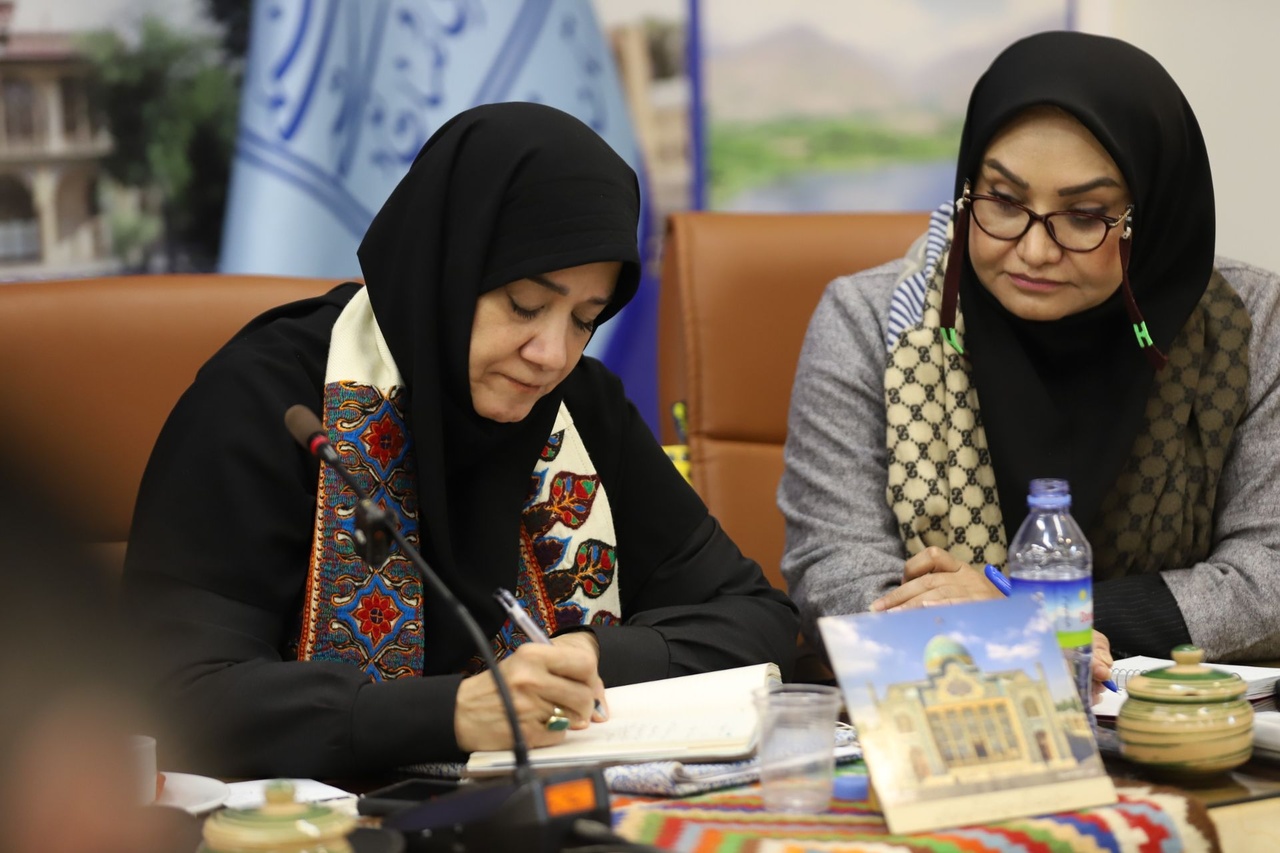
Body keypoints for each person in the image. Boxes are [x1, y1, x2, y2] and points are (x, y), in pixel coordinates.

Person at [122, 102, 798, 778]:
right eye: (525, 305)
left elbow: (759, 617)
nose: (551, 354)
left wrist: (592, 657)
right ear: (446, 265)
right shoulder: (274, 400)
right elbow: (178, 694)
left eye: (584, 319)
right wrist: (450, 714)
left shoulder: (583, 407)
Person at [778, 31, 1280, 668]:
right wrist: (1011, 635)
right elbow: (834, 571)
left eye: (1085, 215)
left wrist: (1030, 613)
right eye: (1004, 202)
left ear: (1151, 215)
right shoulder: (870, 319)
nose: (1035, 251)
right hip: (946, 705)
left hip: (1182, 714)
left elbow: (1269, 579)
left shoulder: (1251, 323)